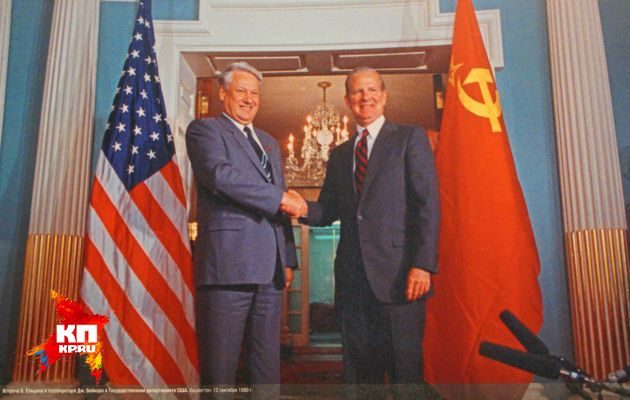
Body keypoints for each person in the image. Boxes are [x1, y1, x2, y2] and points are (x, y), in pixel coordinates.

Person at [296, 67, 440, 398]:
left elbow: (427, 205)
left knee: (405, 376)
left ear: (384, 96)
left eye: (372, 90)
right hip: (353, 284)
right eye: (358, 92)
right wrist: (299, 206)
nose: (366, 97)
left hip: (401, 279)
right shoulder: (339, 154)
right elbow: (327, 210)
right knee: (360, 379)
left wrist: (423, 264)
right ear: (348, 100)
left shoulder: (409, 139)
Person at [186, 62, 306, 398]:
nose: (249, 99)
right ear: (223, 93)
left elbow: (280, 206)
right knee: (221, 371)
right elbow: (220, 176)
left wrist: (287, 257)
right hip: (228, 268)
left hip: (270, 272)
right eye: (241, 91)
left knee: (266, 371)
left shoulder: (268, 142)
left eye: (255, 93)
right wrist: (279, 197)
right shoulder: (205, 130)